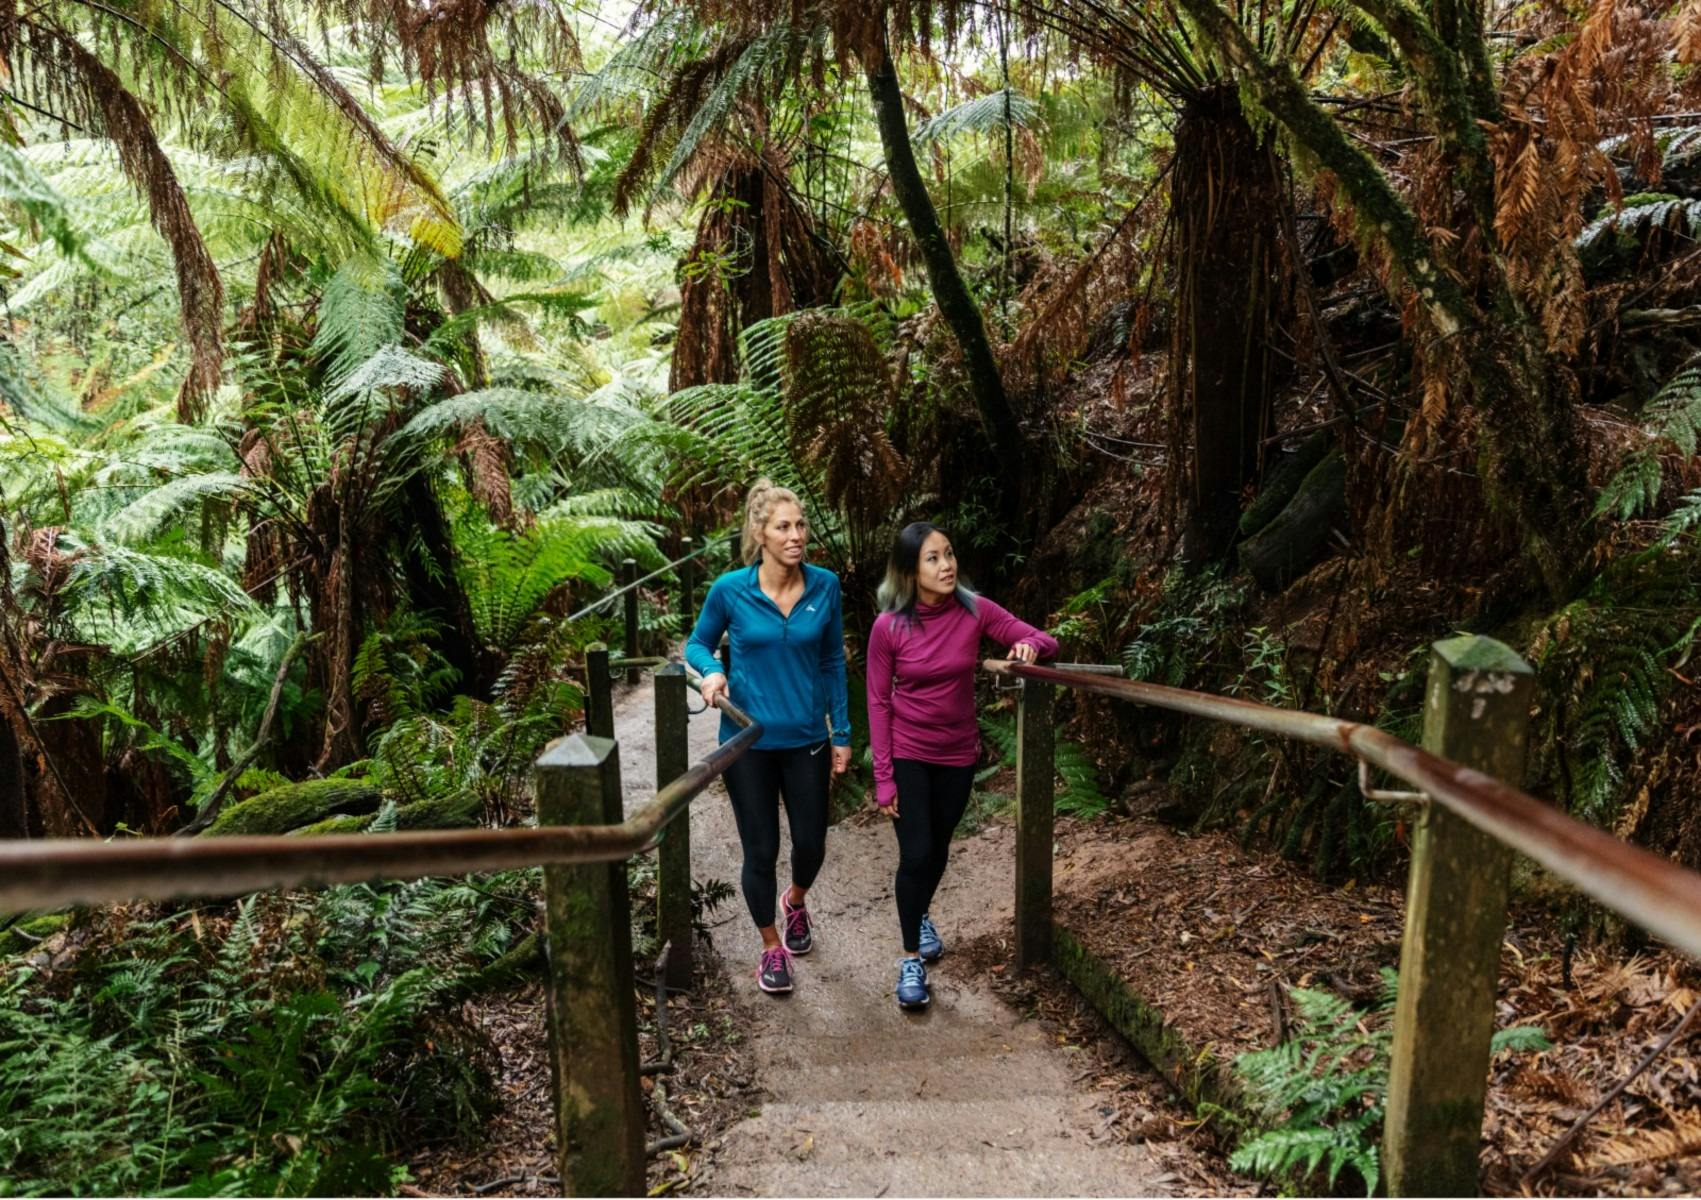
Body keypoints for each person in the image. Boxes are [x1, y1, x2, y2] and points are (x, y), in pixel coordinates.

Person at [865, 522, 1059, 1010]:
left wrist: (1029, 647)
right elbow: (878, 702)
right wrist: (884, 777)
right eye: (932, 558)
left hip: (957, 754)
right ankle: (910, 958)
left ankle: (919, 914)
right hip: (909, 752)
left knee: (938, 848)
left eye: (949, 554)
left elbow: (1044, 639)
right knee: (916, 853)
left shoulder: (974, 610)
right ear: (910, 570)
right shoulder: (888, 627)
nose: (946, 565)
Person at [686, 480, 852, 995]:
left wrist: (842, 732)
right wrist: (712, 671)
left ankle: (795, 901)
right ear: (760, 534)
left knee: (812, 844)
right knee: (760, 850)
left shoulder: (825, 586)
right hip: (746, 744)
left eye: (800, 525)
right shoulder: (730, 589)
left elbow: (832, 661)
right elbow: (697, 644)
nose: (796, 535)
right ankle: (770, 946)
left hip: (807, 739)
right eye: (784, 526)